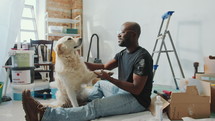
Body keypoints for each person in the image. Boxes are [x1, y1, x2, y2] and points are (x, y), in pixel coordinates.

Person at [22, 21, 153, 121]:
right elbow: (105, 66)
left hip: (136, 100)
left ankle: (43, 114)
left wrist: (110, 79)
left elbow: (136, 89)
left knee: (96, 107)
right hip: (122, 91)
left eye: (123, 32)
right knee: (100, 85)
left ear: (133, 35)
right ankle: (81, 104)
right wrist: (77, 63)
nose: (118, 34)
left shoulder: (142, 57)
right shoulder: (123, 53)